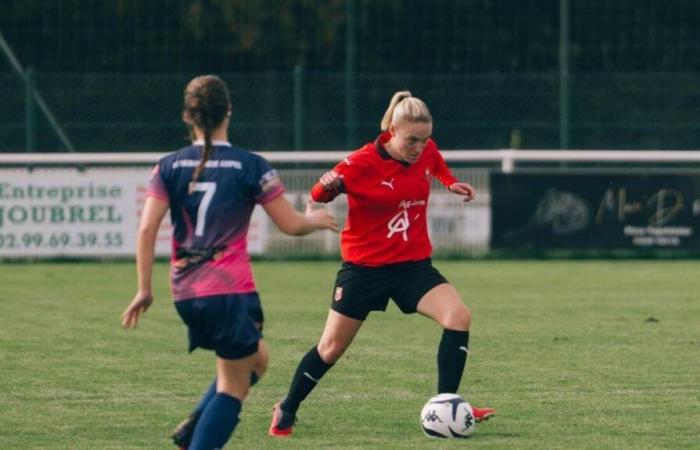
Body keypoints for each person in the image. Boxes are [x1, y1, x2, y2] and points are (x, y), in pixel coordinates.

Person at [121, 74, 338, 450]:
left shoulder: (168, 166)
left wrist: (144, 289)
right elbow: (289, 225)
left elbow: (146, 229)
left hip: (186, 292)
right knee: (233, 385)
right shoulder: (250, 166)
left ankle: (195, 425)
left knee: (258, 359)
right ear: (229, 112)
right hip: (228, 290)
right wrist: (316, 220)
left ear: (188, 116)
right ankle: (200, 436)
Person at [268, 91, 495, 437]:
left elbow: (435, 164)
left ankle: (447, 405)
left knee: (458, 316)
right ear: (391, 129)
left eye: (424, 139)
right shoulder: (361, 162)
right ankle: (287, 407)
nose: (418, 147)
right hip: (364, 269)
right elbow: (318, 193)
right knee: (330, 348)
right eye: (411, 140)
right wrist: (327, 189)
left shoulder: (426, 151)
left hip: (412, 266)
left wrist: (450, 183)